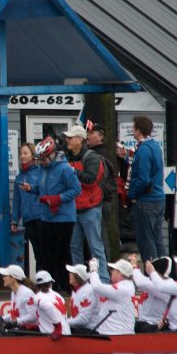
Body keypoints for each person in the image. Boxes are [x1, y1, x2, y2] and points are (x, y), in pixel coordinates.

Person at [26, 137, 80, 295]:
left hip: (63, 218)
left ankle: (65, 287)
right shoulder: (44, 169)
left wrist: (58, 199)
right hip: (46, 217)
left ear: (51, 155)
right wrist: (32, 188)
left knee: (61, 254)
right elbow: (44, 189)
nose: (41, 162)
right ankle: (49, 287)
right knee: (46, 254)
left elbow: (76, 190)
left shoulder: (65, 169)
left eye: (43, 159)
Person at [63, 125, 106, 266]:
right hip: (73, 208)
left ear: (80, 139)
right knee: (74, 247)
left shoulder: (91, 157)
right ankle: (78, 282)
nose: (67, 139)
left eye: (70, 137)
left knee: (95, 247)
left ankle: (103, 281)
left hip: (90, 208)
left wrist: (73, 171)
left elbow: (91, 180)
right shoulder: (66, 157)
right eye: (67, 137)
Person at [128, 115, 165, 261]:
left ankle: (152, 274)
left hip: (146, 199)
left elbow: (143, 178)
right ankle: (164, 272)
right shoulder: (155, 146)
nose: (132, 130)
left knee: (146, 240)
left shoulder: (143, 150)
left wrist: (131, 194)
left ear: (138, 130)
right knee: (157, 239)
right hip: (158, 198)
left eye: (133, 127)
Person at [11, 143, 43, 268]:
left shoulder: (41, 172)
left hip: (41, 216)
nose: (22, 156)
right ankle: (41, 281)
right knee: (37, 252)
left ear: (33, 155)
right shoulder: (19, 177)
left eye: (25, 153)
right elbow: (16, 201)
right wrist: (14, 220)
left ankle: (47, 281)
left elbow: (45, 189)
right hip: (28, 218)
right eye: (21, 154)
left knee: (44, 250)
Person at [87, 257, 136, 335]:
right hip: (115, 332)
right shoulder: (126, 286)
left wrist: (93, 270)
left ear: (120, 273)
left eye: (114, 270)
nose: (111, 271)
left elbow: (96, 287)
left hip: (118, 334)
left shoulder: (123, 288)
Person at [130, 255, 172, 332]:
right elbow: (143, 281)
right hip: (143, 323)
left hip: (155, 326)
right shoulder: (152, 282)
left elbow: (140, 282)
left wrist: (134, 266)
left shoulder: (168, 286)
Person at [33, 270, 70, 339]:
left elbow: (49, 307)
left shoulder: (38, 297)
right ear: (51, 283)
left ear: (36, 285)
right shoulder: (58, 295)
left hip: (54, 337)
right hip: (67, 333)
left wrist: (58, 327)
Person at [0, 264, 38, 330]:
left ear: (13, 278)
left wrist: (16, 322)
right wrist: (1, 319)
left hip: (28, 331)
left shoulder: (27, 293)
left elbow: (34, 316)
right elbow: (16, 314)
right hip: (19, 329)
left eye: (5, 276)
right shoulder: (13, 293)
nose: (3, 278)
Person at [65, 263, 98, 334]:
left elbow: (83, 320)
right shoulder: (75, 290)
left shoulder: (88, 291)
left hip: (89, 331)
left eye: (72, 273)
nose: (69, 274)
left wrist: (63, 322)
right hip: (80, 328)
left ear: (78, 277)